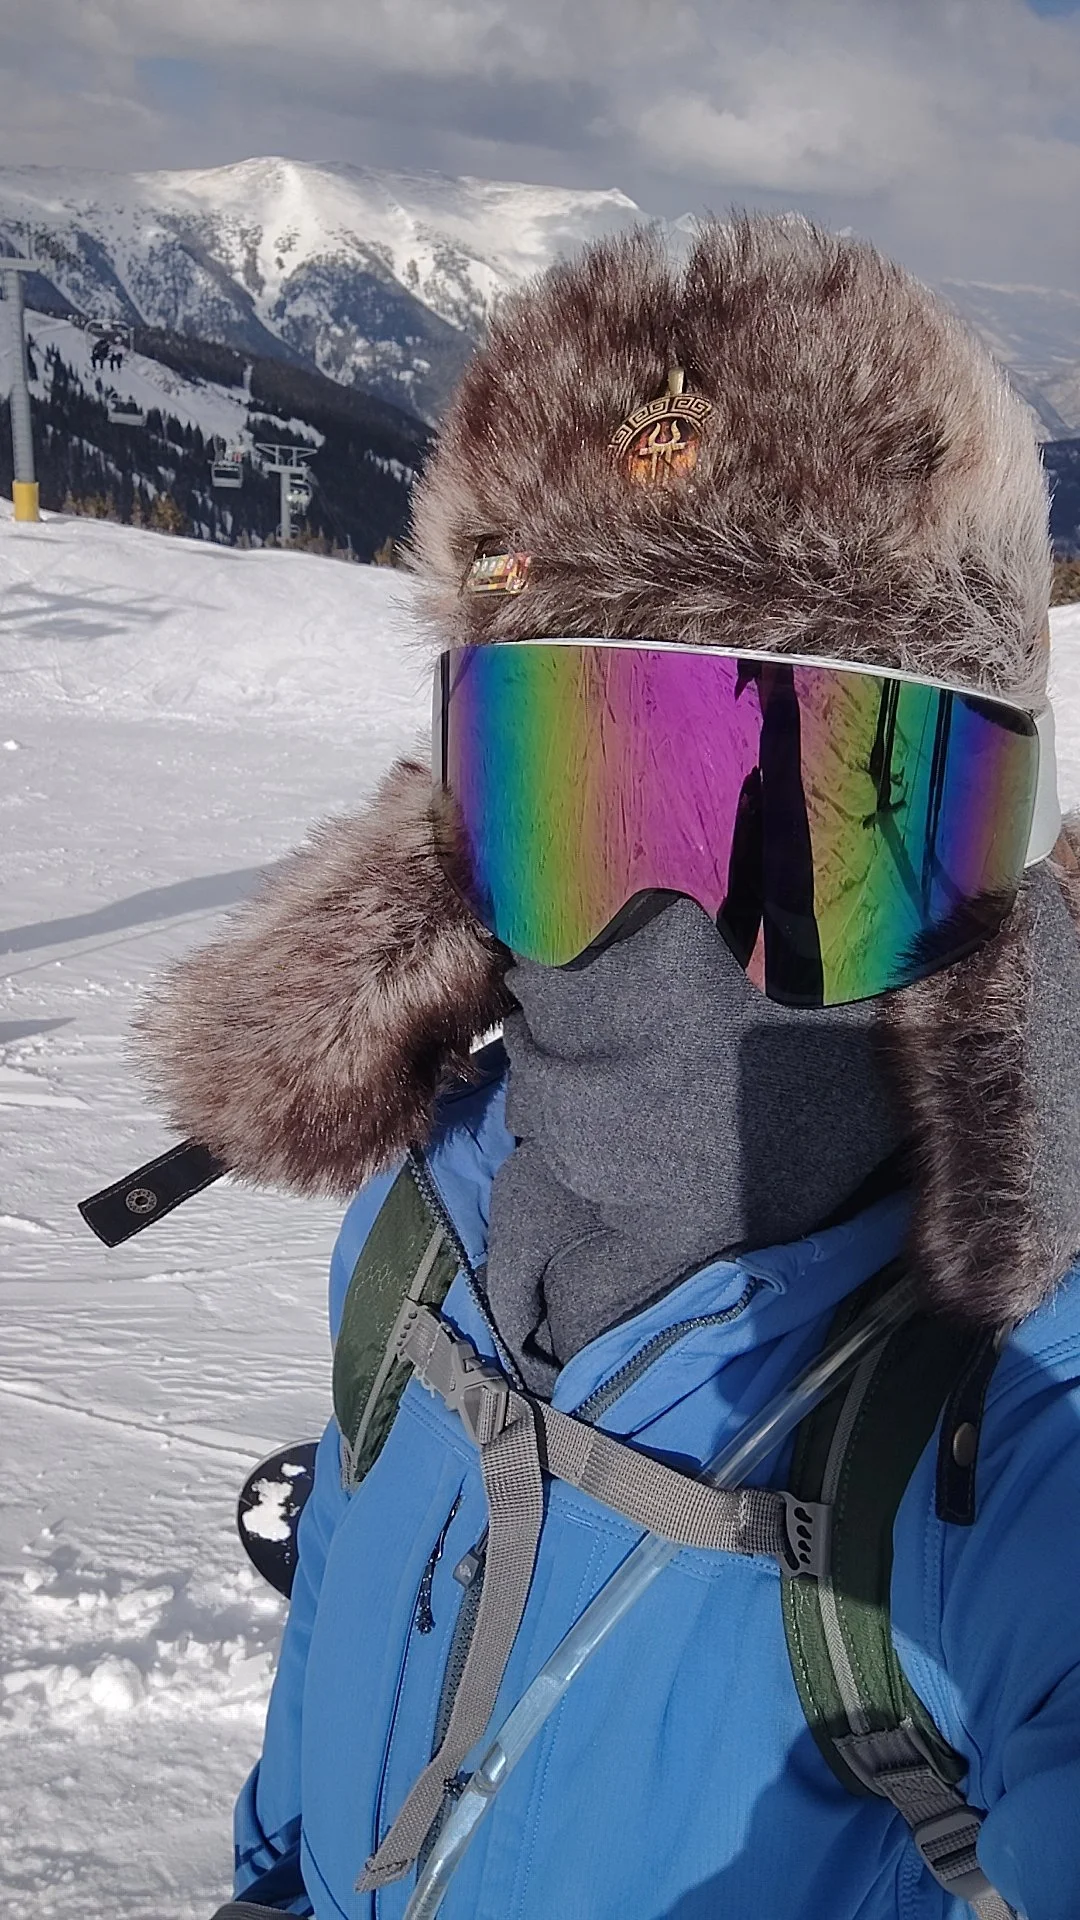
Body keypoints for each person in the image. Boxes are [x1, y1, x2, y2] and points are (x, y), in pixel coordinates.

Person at [140, 217, 1080, 1920]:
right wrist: (273, 1882)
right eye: (590, 801)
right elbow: (349, 1589)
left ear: (981, 872)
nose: (673, 936)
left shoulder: (1013, 1424)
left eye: (812, 839)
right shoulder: (418, 1229)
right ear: (458, 833)